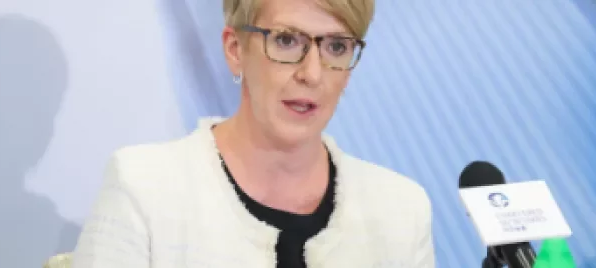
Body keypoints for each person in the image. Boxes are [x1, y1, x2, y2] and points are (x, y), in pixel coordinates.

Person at [71, 0, 435, 267]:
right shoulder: (144, 188)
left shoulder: (401, 210)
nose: (312, 73)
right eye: (287, 41)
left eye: (336, 47)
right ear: (234, 50)